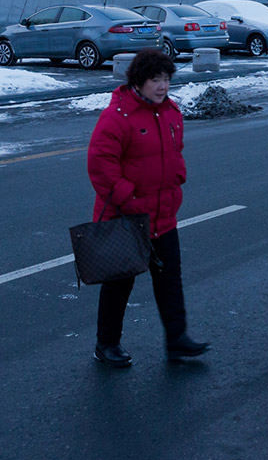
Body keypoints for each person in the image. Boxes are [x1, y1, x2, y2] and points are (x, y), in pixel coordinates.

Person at [87, 49, 210, 368]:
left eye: (166, 79)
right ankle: (107, 344)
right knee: (119, 283)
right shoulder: (117, 116)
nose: (162, 86)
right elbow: (101, 165)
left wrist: (178, 173)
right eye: (155, 79)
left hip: (163, 215)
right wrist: (128, 200)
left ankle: (177, 340)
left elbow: (175, 150)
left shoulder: (170, 112)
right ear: (139, 81)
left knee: (170, 279)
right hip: (126, 216)